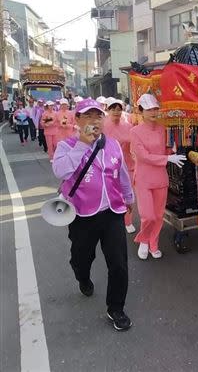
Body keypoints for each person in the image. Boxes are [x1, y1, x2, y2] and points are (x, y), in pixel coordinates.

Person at [52, 98, 134, 331]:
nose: (93, 121)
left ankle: (116, 308)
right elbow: (60, 170)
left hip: (112, 213)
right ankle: (83, 277)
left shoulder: (113, 145)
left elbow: (122, 174)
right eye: (87, 116)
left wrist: (129, 198)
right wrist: (82, 145)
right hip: (82, 214)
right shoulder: (67, 145)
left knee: (118, 263)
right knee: (81, 258)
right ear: (77, 120)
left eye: (97, 116)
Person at [130, 94, 186, 259]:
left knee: (158, 215)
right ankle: (144, 240)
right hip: (144, 179)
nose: (153, 112)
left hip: (160, 178)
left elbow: (166, 150)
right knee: (148, 215)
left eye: (155, 108)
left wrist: (173, 150)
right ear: (141, 111)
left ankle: (153, 243)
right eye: (149, 109)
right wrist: (167, 158)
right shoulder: (135, 132)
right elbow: (143, 156)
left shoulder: (163, 129)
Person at [103, 98, 136, 233]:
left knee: (127, 193)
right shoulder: (103, 125)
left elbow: (134, 144)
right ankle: (112, 220)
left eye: (119, 109)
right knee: (112, 194)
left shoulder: (128, 126)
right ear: (108, 110)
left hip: (128, 165)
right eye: (113, 109)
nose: (116, 112)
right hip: (108, 166)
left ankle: (128, 221)